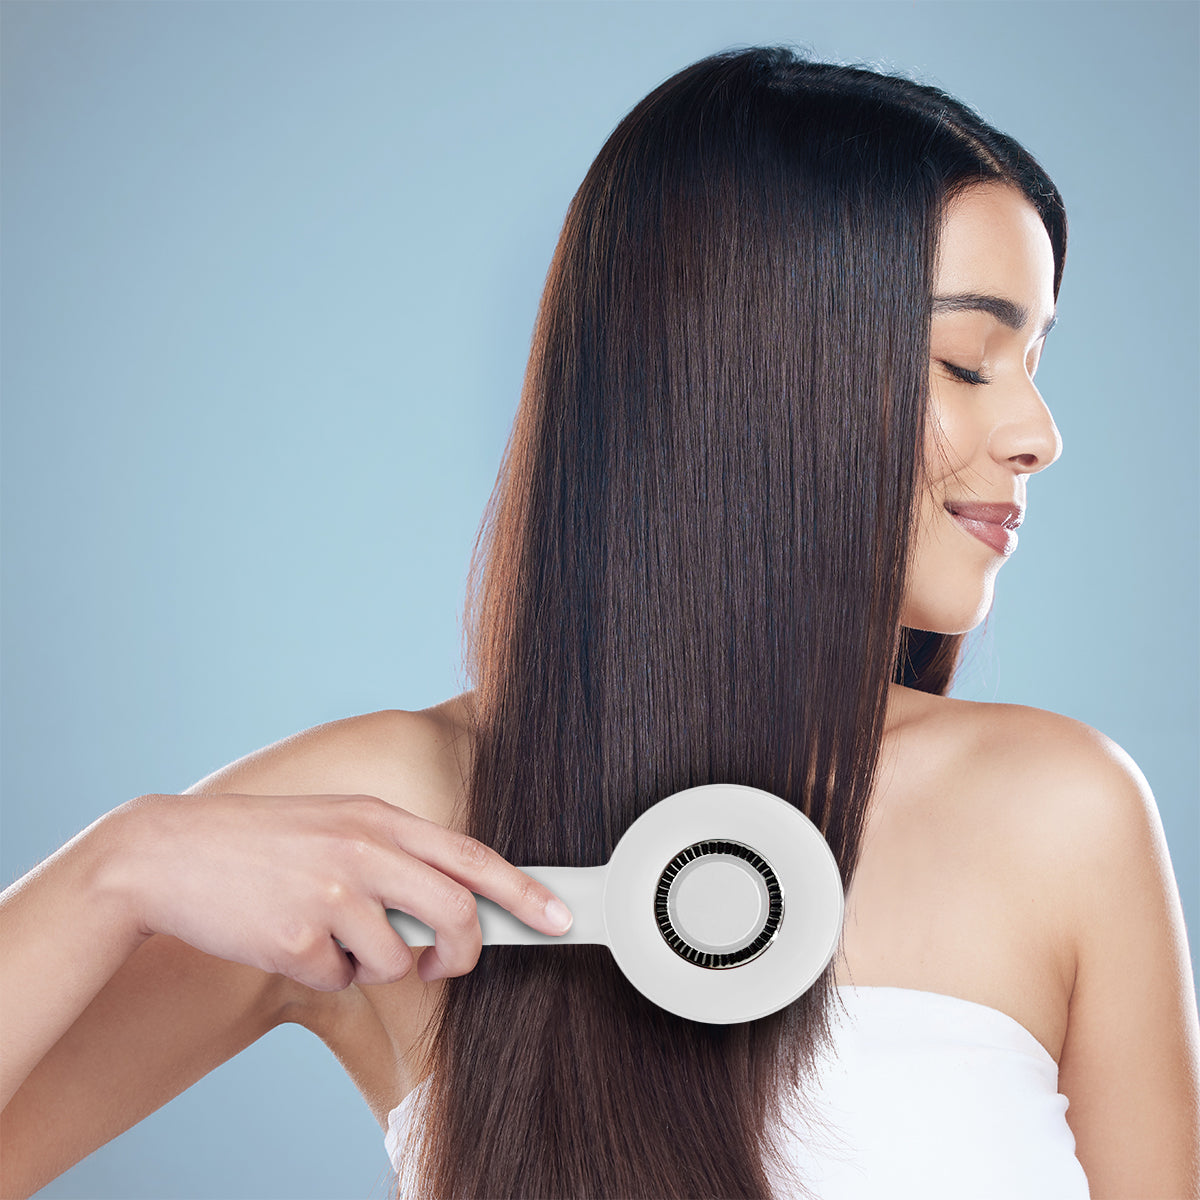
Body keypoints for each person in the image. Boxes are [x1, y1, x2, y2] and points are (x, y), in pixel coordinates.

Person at [2, 44, 1197, 1200]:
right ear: (742, 363)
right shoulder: (394, 830)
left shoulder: (1058, 811)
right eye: (968, 359)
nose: (1041, 432)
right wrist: (120, 869)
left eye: (1037, 358)